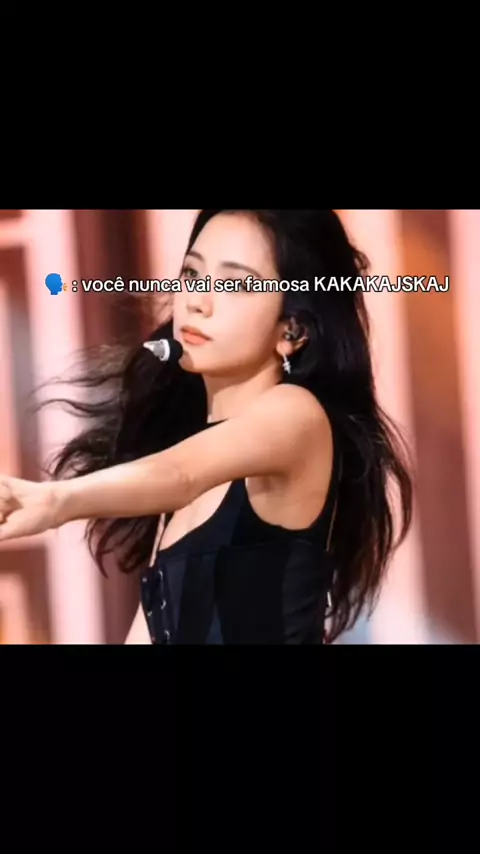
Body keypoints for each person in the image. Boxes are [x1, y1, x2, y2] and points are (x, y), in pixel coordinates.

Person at [0, 210, 413, 644]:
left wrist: (56, 501)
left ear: (291, 330)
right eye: (192, 274)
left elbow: (180, 474)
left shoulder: (297, 415)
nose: (198, 300)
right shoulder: (180, 482)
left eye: (234, 284)